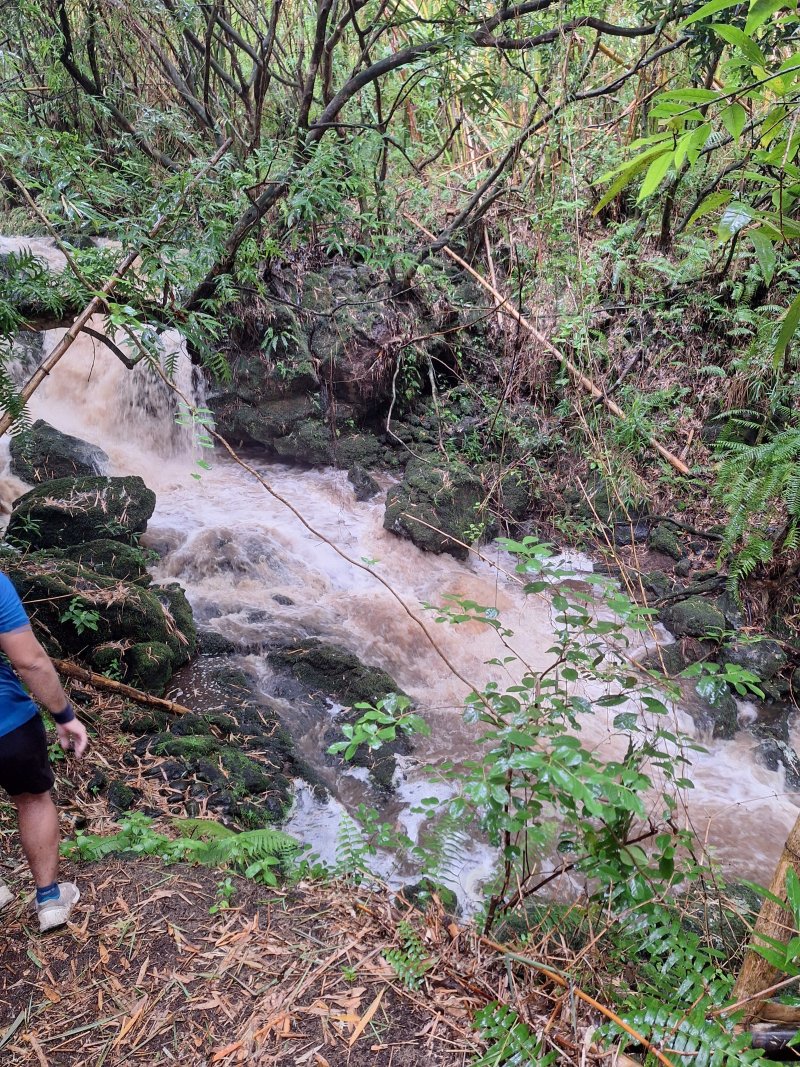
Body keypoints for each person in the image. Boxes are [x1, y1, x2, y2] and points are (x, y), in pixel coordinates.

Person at [0, 571, 88, 931]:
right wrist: (64, 716)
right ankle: (50, 901)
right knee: (33, 800)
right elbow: (30, 661)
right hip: (8, 723)